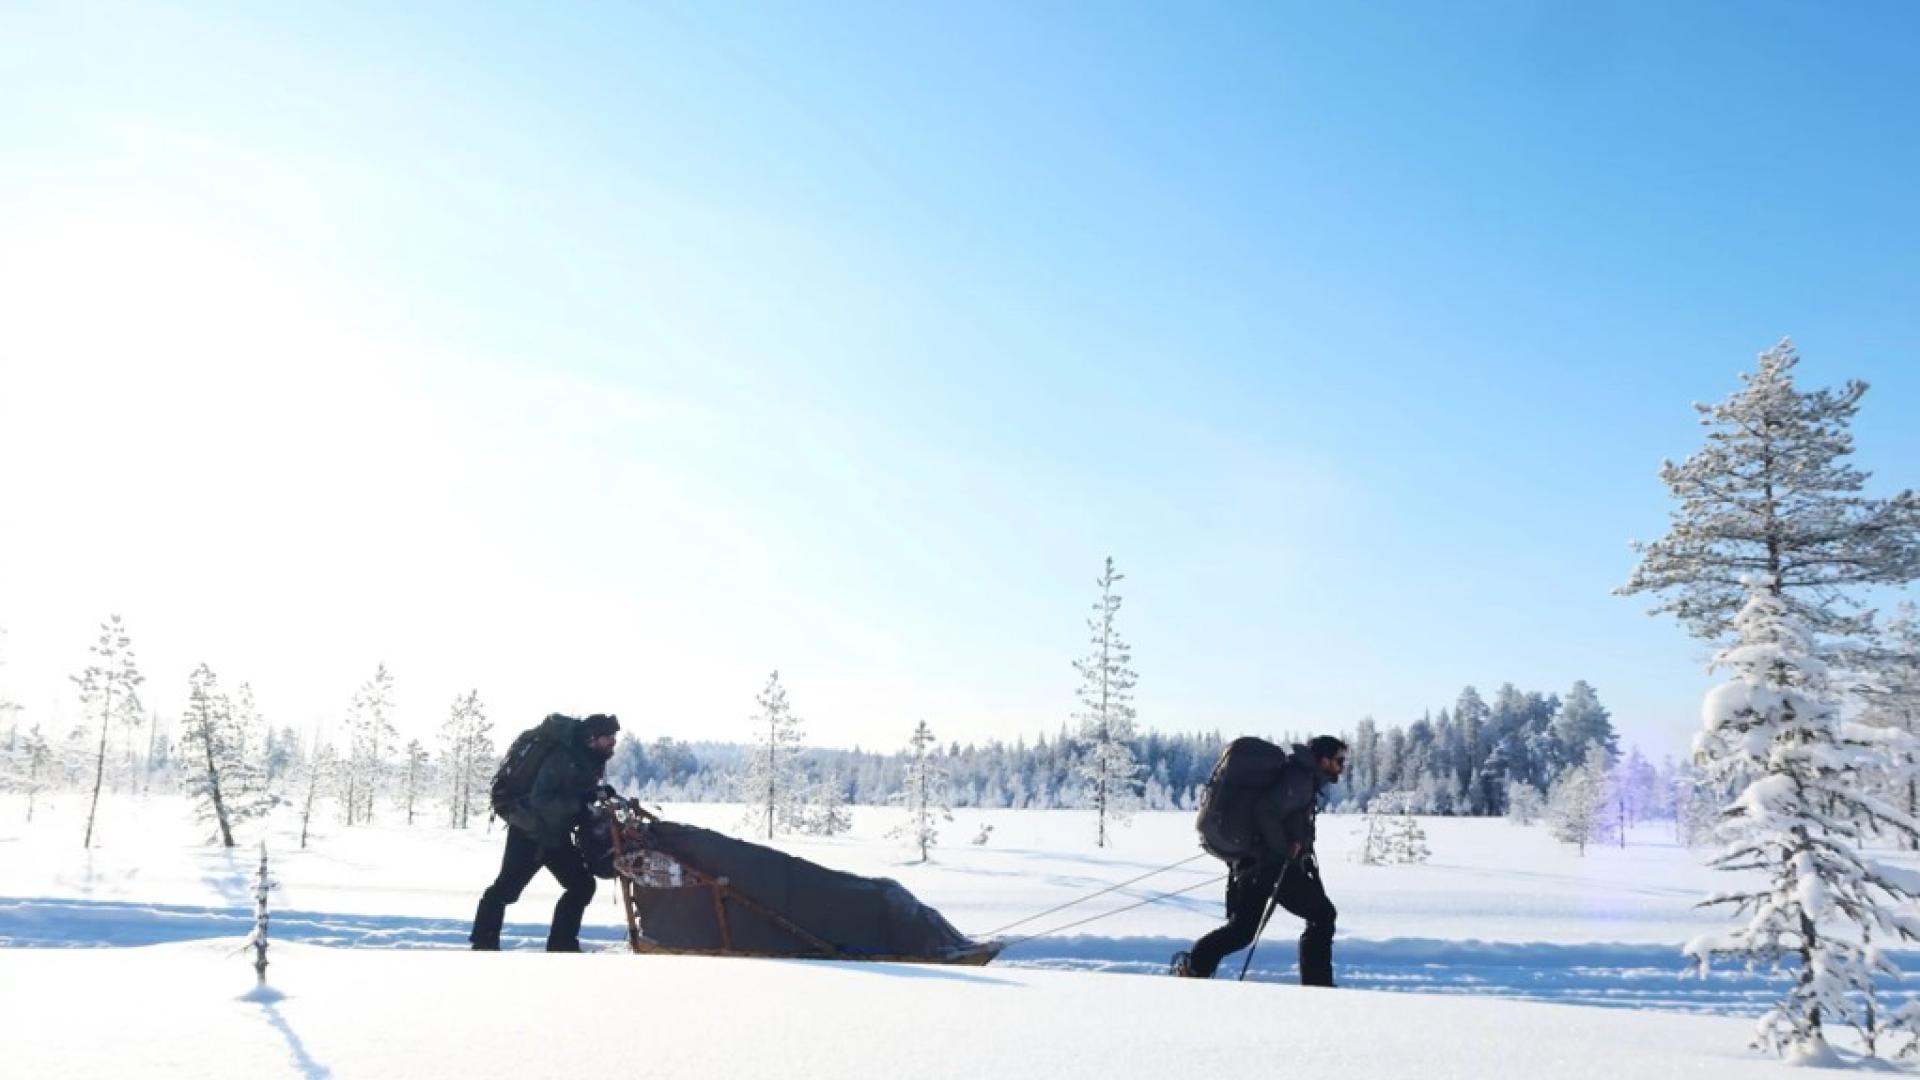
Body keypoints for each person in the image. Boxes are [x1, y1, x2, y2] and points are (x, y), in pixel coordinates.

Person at [1173, 735, 1347, 985]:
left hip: (1257, 864)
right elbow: (1266, 809)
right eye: (1339, 760)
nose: (1342, 766)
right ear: (1324, 759)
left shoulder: (1302, 777)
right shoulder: (1299, 779)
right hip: (1270, 865)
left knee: (1242, 931)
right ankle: (1318, 987)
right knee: (1323, 916)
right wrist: (1286, 848)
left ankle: (1195, 966)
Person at [469, 713, 621, 952]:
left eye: (614, 737)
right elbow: (541, 800)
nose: (613, 742)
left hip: (555, 836)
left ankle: (562, 947)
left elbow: (576, 791)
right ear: (592, 738)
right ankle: (483, 945)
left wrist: (595, 796)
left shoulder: (589, 758)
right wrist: (581, 802)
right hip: (529, 833)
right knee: (505, 890)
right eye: (608, 737)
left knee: (581, 885)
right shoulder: (562, 758)